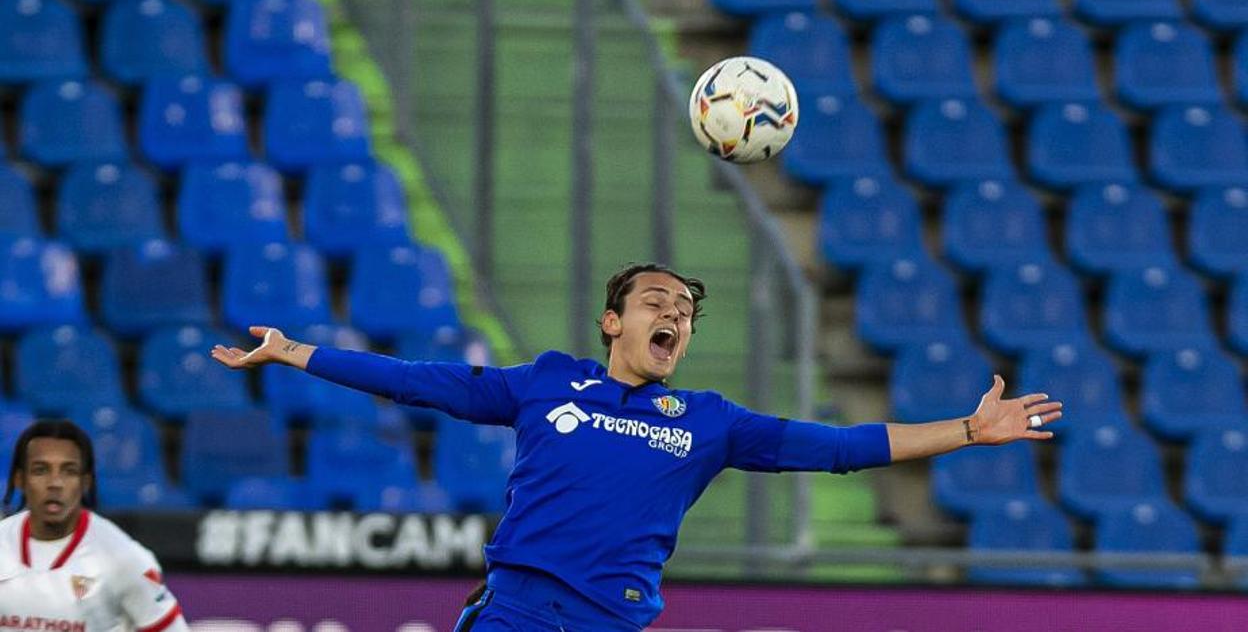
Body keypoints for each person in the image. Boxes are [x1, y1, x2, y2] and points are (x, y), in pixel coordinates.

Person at [212, 262, 1062, 631]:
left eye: (686, 313)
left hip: (608, 622)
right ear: (613, 322)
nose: (675, 316)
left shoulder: (709, 421)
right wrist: (298, 352)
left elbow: (839, 444)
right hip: (513, 611)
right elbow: (420, 381)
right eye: (658, 302)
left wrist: (965, 429)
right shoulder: (547, 383)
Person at [0, 419, 189, 632]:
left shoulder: (124, 558)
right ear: (19, 479)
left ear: (85, 482)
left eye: (68, 471)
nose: (55, 483)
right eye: (41, 470)